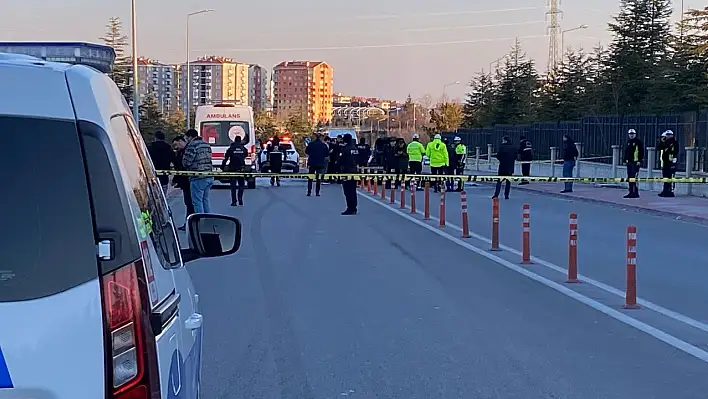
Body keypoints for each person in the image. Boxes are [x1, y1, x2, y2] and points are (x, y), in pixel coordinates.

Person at [182, 128, 214, 213]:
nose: (186, 140)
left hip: (198, 177)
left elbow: (186, 162)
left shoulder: (192, 145)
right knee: (205, 200)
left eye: (186, 138)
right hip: (209, 175)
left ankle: (201, 222)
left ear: (190, 137)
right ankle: (208, 220)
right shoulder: (206, 144)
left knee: (197, 202)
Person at [172, 135, 194, 231]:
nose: (175, 147)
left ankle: (190, 223)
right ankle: (188, 223)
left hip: (188, 181)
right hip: (185, 182)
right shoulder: (180, 152)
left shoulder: (187, 151)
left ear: (181, 141)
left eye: (176, 144)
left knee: (190, 203)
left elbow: (182, 167)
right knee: (188, 203)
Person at [222, 135, 248, 206]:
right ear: (240, 140)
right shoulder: (244, 149)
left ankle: (234, 201)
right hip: (241, 168)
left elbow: (226, 158)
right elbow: (245, 155)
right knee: (241, 185)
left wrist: (223, 166)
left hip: (232, 169)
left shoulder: (231, 148)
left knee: (233, 186)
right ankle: (240, 200)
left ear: (234, 140)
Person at [339, 133, 359, 215]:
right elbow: (359, 159)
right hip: (354, 171)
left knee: (347, 191)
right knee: (353, 190)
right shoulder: (355, 148)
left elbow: (341, 160)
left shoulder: (346, 149)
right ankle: (354, 207)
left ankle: (350, 208)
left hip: (347, 171)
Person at [305, 132, 329, 196]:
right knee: (318, 178)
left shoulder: (311, 144)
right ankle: (317, 192)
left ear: (315, 137)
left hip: (312, 163)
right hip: (320, 163)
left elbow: (306, 151)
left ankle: (309, 191)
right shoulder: (323, 145)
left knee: (310, 178)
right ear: (321, 137)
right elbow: (326, 154)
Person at [623, 129, 644, 198]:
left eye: (632, 134)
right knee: (630, 177)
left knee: (634, 177)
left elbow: (641, 152)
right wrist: (625, 160)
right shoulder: (628, 142)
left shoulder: (638, 142)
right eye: (630, 134)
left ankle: (635, 193)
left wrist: (639, 160)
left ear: (635, 134)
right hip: (629, 162)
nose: (631, 135)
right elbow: (626, 152)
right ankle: (630, 192)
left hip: (635, 162)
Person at [657, 129, 678, 197]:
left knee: (670, 177)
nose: (668, 136)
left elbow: (675, 152)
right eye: (667, 135)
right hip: (665, 162)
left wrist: (673, 162)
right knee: (665, 177)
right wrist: (662, 142)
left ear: (672, 135)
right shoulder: (665, 142)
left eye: (669, 135)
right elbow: (658, 148)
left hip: (671, 163)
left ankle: (670, 191)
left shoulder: (674, 143)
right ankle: (665, 191)